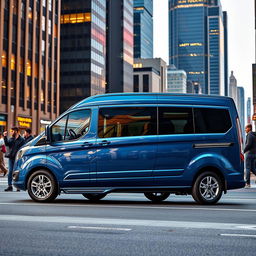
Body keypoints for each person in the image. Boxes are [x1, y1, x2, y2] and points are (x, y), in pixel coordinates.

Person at [3, 127, 25, 191]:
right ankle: (10, 186)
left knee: (17, 172)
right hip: (11, 158)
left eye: (12, 131)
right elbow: (7, 144)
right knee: (10, 172)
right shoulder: (11, 138)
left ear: (16, 131)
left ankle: (18, 186)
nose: (11, 132)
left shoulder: (22, 139)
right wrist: (5, 136)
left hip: (18, 159)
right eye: (11, 131)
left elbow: (22, 149)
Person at [244, 124, 256, 188]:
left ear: (249, 128)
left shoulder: (249, 135)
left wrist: (244, 150)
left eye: (246, 128)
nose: (245, 130)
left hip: (249, 154)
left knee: (247, 168)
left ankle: (247, 183)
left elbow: (248, 144)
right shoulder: (254, 135)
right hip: (254, 154)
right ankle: (248, 183)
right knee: (253, 168)